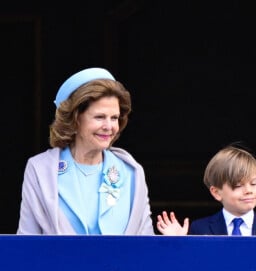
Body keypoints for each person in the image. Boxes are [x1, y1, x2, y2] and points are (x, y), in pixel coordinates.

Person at [17, 67, 154, 235]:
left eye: (114, 118)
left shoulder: (132, 172)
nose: (109, 127)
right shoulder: (41, 170)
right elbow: (26, 244)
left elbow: (146, 245)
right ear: (75, 119)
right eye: (99, 117)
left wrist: (172, 243)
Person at [156, 145, 256, 236]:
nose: (248, 190)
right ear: (216, 192)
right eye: (238, 186)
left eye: (253, 184)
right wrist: (178, 242)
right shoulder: (200, 229)